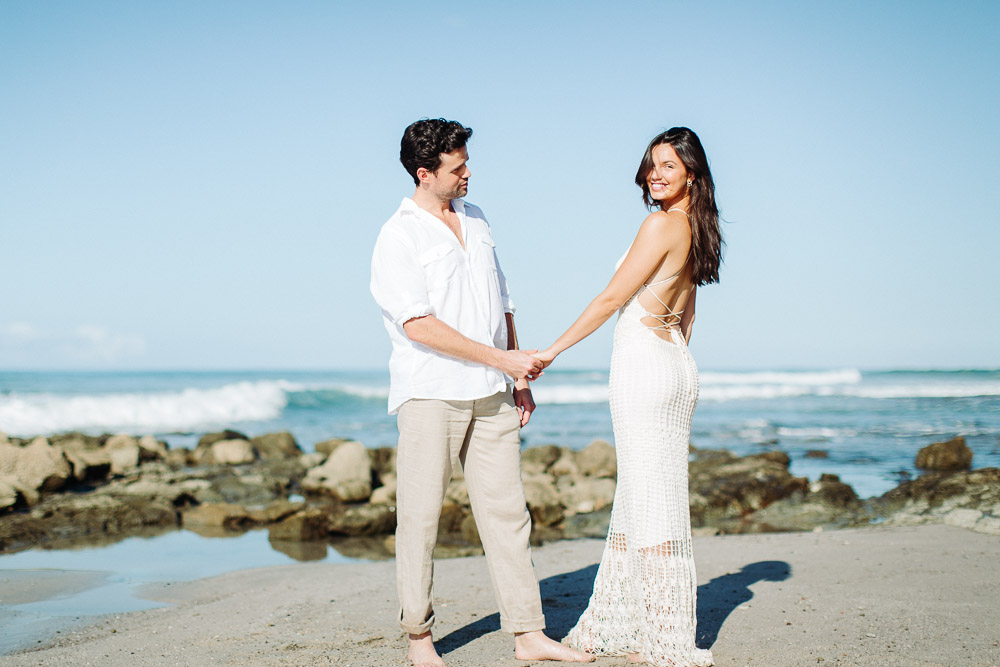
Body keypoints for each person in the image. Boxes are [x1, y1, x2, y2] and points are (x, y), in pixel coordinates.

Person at [370, 118, 594, 667]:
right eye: (457, 167)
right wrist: (502, 360)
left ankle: (528, 635)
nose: (467, 174)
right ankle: (419, 640)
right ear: (424, 174)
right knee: (420, 521)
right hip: (431, 394)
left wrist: (518, 376)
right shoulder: (397, 236)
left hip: (493, 392)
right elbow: (418, 325)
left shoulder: (477, 217)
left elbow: (503, 301)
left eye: (466, 162)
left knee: (509, 516)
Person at [532, 127, 723, 666]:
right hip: (674, 363)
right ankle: (632, 622)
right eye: (651, 165)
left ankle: (664, 637)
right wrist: (672, 368)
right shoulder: (698, 228)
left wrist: (551, 351)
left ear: (692, 173)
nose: (655, 175)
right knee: (650, 492)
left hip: (644, 364)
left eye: (668, 165)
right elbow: (687, 315)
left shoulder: (660, 224)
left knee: (650, 498)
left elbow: (611, 298)